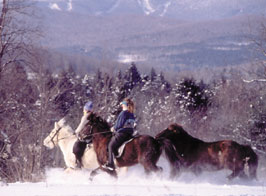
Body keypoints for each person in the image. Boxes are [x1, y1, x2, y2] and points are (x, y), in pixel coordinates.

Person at [102, 98, 135, 171]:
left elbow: (119, 124)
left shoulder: (123, 113)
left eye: (122, 104)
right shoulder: (131, 113)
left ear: (125, 105)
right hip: (129, 134)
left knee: (110, 145)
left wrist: (114, 128)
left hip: (122, 133)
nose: (122, 105)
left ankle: (111, 164)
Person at [73, 101, 93, 168]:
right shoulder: (94, 116)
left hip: (87, 137)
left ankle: (79, 163)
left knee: (76, 147)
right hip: (93, 136)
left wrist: (75, 132)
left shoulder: (85, 117)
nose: (83, 110)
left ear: (86, 110)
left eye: (84, 109)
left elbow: (81, 126)